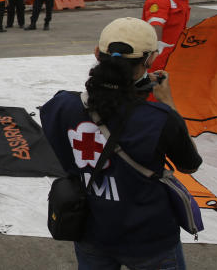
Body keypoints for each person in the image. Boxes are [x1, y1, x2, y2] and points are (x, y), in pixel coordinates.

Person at [40, 17, 202, 269]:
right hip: (149, 238)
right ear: (150, 60)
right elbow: (189, 165)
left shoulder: (61, 105)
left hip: (90, 229)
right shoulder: (159, 118)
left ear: (97, 53)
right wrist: (168, 103)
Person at [141, 0, 194, 72]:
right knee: (156, 85)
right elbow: (156, 24)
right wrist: (156, 49)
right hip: (159, 56)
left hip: (174, 53)